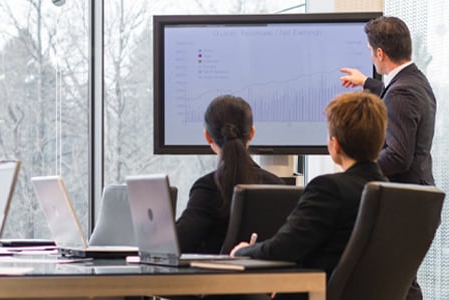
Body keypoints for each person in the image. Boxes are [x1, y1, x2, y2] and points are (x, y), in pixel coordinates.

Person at [231, 91, 388, 299]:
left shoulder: (328, 189)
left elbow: (284, 248)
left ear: (335, 144)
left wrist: (242, 252)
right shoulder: (392, 195)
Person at [175, 95, 284, 254]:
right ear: (252, 133)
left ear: (207, 136)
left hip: (213, 279)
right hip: (269, 279)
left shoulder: (207, 188)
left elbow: (178, 244)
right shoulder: (276, 186)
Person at [339, 16, 436, 186]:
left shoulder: (400, 93)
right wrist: (365, 82)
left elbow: (397, 157)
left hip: (404, 201)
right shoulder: (415, 79)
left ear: (380, 53)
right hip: (419, 196)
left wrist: (356, 168)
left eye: (370, 50)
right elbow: (392, 96)